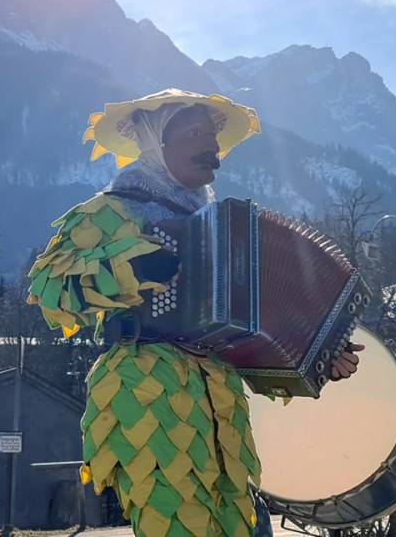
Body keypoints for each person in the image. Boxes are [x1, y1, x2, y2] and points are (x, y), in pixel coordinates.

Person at [27, 89, 363, 537]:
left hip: (221, 398)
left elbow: (254, 336)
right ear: (156, 142)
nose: (213, 149)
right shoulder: (112, 210)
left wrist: (319, 359)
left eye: (213, 136)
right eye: (195, 133)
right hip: (145, 391)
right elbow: (48, 287)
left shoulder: (223, 229)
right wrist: (128, 268)